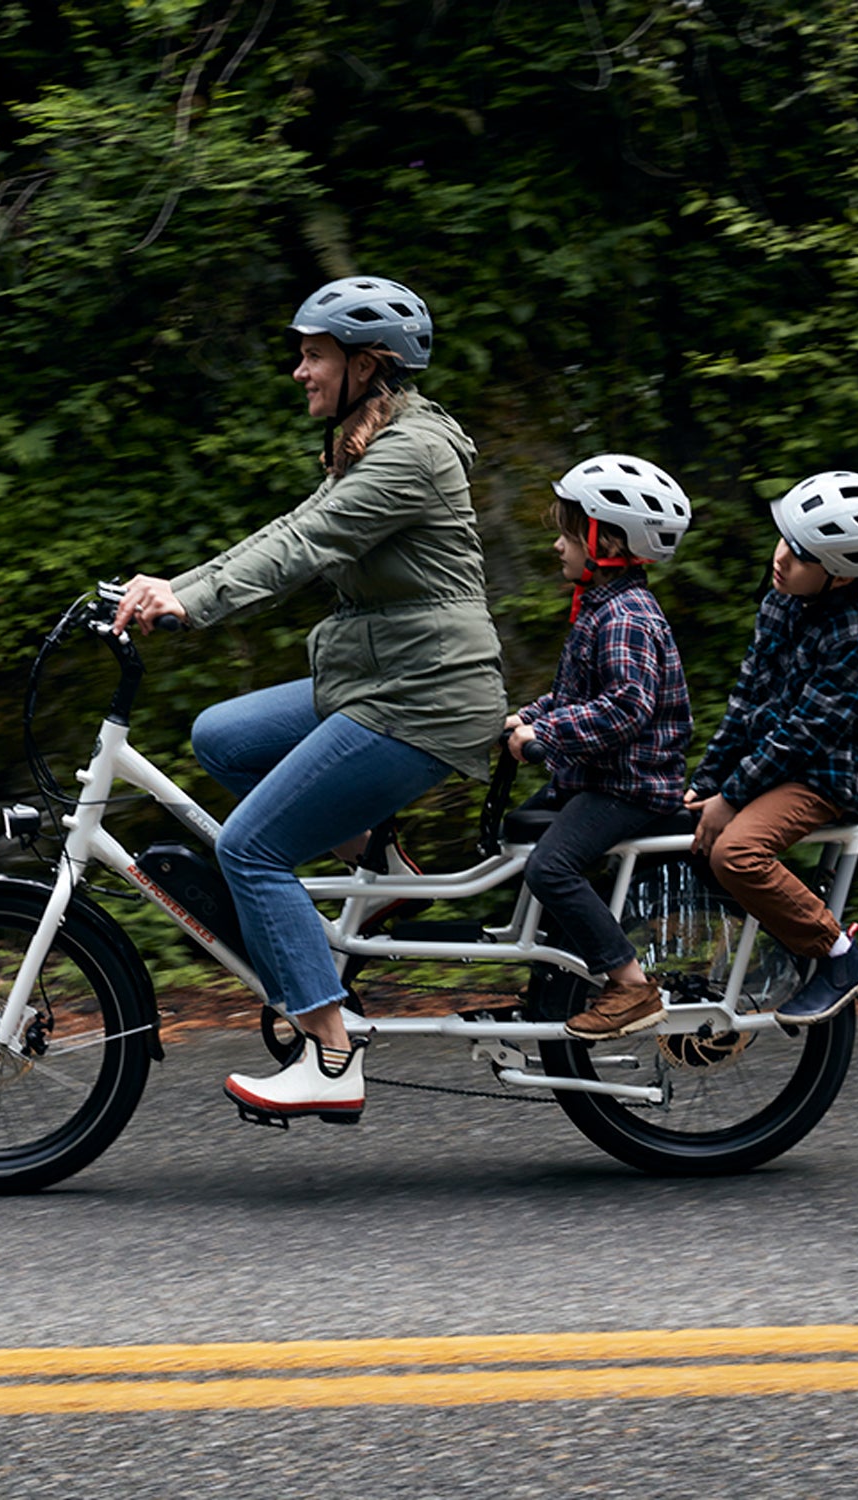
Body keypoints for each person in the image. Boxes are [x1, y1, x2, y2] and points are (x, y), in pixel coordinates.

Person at [111, 274, 506, 1123]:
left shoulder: (415, 452)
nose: (300, 370)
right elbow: (287, 527)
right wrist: (170, 585)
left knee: (251, 849)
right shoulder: (369, 438)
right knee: (222, 735)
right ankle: (382, 869)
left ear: (370, 366)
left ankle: (330, 1049)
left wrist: (193, 602)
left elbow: (309, 542)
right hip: (377, 678)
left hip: (425, 697)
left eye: (314, 354)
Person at [684, 470, 858, 1025]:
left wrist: (732, 797)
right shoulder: (782, 602)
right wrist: (706, 783)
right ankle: (768, 939)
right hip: (776, 761)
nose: (782, 558)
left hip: (830, 776)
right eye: (785, 538)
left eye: (802, 555)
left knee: (736, 852)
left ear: (840, 576)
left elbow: (802, 737)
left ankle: (841, 959)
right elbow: (746, 702)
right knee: (683, 820)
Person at [506, 454, 693, 1039]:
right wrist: (524, 717)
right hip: (600, 779)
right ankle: (559, 972)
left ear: (606, 540)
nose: (558, 546)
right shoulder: (602, 607)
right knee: (517, 830)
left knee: (551, 867)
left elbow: (625, 707)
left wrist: (546, 734)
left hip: (630, 786)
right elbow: (576, 694)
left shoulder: (627, 616)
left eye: (567, 533)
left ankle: (630, 986)